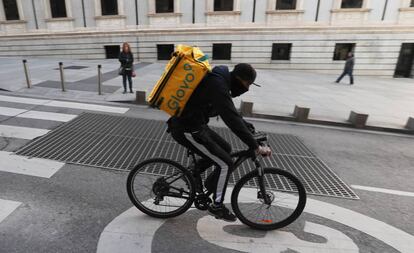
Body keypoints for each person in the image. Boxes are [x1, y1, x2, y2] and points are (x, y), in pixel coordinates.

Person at [167, 63, 272, 222]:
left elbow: (231, 112)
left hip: (197, 125)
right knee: (226, 163)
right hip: (186, 129)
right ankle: (217, 206)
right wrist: (255, 146)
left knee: (226, 148)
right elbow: (230, 118)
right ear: (238, 78)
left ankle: (197, 174)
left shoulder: (222, 83)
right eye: (247, 84)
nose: (247, 89)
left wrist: (249, 129)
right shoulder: (218, 85)